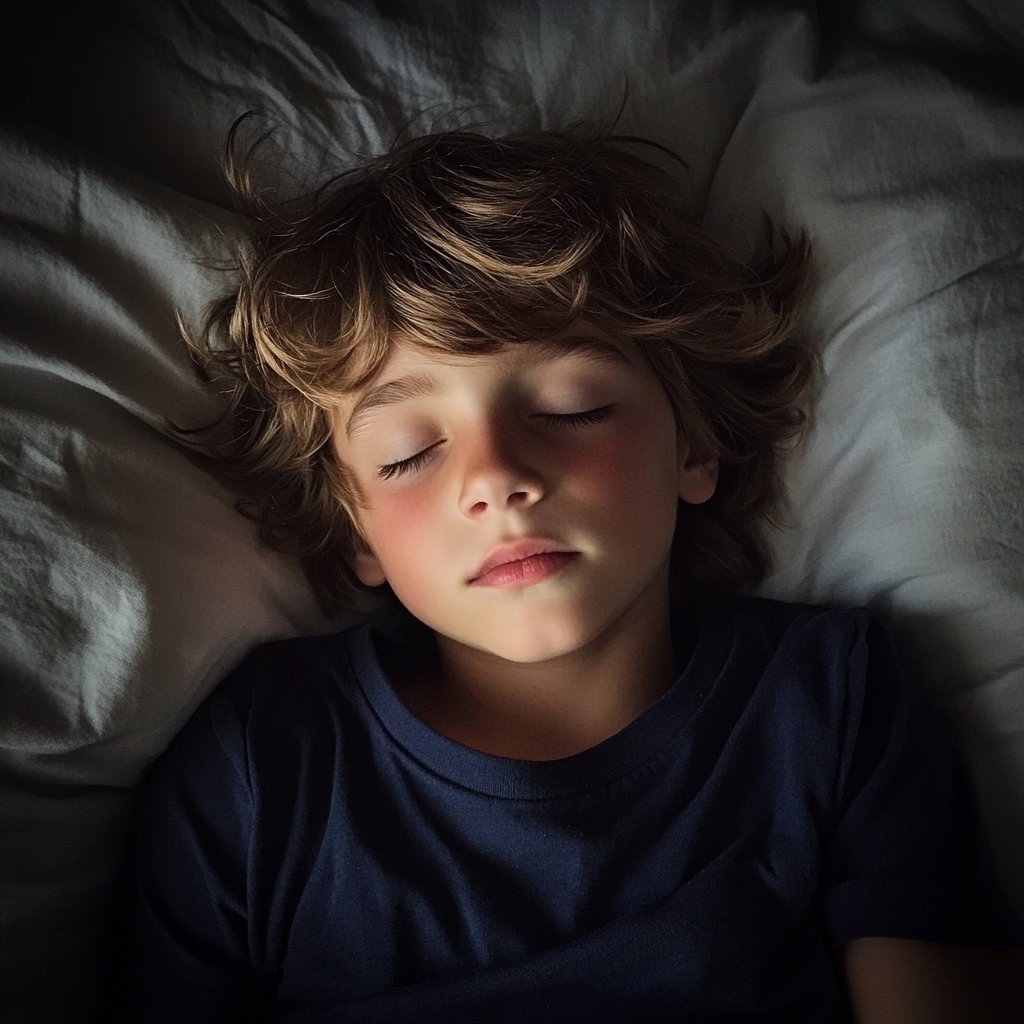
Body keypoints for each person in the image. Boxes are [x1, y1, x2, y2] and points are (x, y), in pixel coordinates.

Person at [117, 122, 1023, 1022]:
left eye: (572, 405)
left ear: (694, 447)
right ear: (356, 534)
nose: (495, 479)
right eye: (407, 454)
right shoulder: (262, 763)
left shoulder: (833, 701)